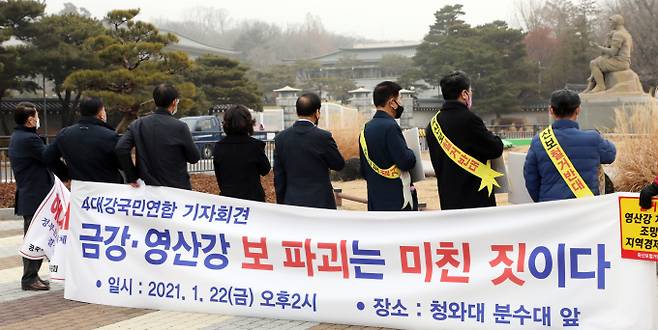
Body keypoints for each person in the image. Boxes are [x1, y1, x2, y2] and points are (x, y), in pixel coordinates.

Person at [426, 72, 503, 210]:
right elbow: (495, 148)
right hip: (474, 198)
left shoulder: (432, 125)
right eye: (470, 91)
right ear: (464, 94)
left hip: (448, 198)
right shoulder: (470, 120)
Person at [9, 102, 64, 291]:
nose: (38, 118)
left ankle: (32, 276)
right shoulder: (29, 139)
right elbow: (48, 156)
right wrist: (61, 140)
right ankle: (29, 278)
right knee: (35, 238)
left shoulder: (19, 136)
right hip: (35, 197)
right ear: (30, 120)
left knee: (36, 237)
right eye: (37, 115)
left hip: (31, 195)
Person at [524, 89, 617, 202]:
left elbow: (530, 179)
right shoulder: (593, 138)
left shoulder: (539, 141)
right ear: (578, 110)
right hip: (585, 207)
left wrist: (543, 200)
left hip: (550, 208)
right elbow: (611, 155)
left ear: (551, 110)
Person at [116, 84, 201, 190]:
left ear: (155, 100)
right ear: (174, 102)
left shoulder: (138, 124)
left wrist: (132, 176)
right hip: (176, 188)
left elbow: (121, 148)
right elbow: (194, 157)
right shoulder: (180, 127)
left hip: (147, 187)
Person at [273, 92, 345, 209]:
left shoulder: (281, 138)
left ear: (297, 112)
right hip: (321, 202)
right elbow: (338, 164)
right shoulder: (323, 137)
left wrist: (282, 204)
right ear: (317, 112)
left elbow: (279, 177)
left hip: (292, 202)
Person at [359, 81, 416, 211]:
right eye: (399, 99)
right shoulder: (391, 127)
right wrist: (412, 152)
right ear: (392, 102)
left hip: (375, 199)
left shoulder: (366, 129)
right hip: (397, 200)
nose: (400, 103)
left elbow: (363, 170)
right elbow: (405, 161)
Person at [44, 97, 123, 183]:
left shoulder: (64, 134)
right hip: (108, 188)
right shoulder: (110, 136)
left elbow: (48, 156)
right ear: (101, 114)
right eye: (104, 110)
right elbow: (123, 163)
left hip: (79, 188)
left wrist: (65, 175)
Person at [213, 105, 271, 202]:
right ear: (249, 123)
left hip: (228, 199)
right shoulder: (255, 146)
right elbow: (265, 170)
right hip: (253, 199)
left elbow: (219, 176)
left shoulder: (219, 146)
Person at [583, 15, 632, 94]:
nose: (609, 24)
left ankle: (601, 86)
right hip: (623, 61)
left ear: (616, 23)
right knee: (599, 60)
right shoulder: (627, 34)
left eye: (611, 22)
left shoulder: (618, 34)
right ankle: (590, 87)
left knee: (593, 63)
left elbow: (613, 52)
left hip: (620, 62)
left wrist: (598, 47)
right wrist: (608, 40)